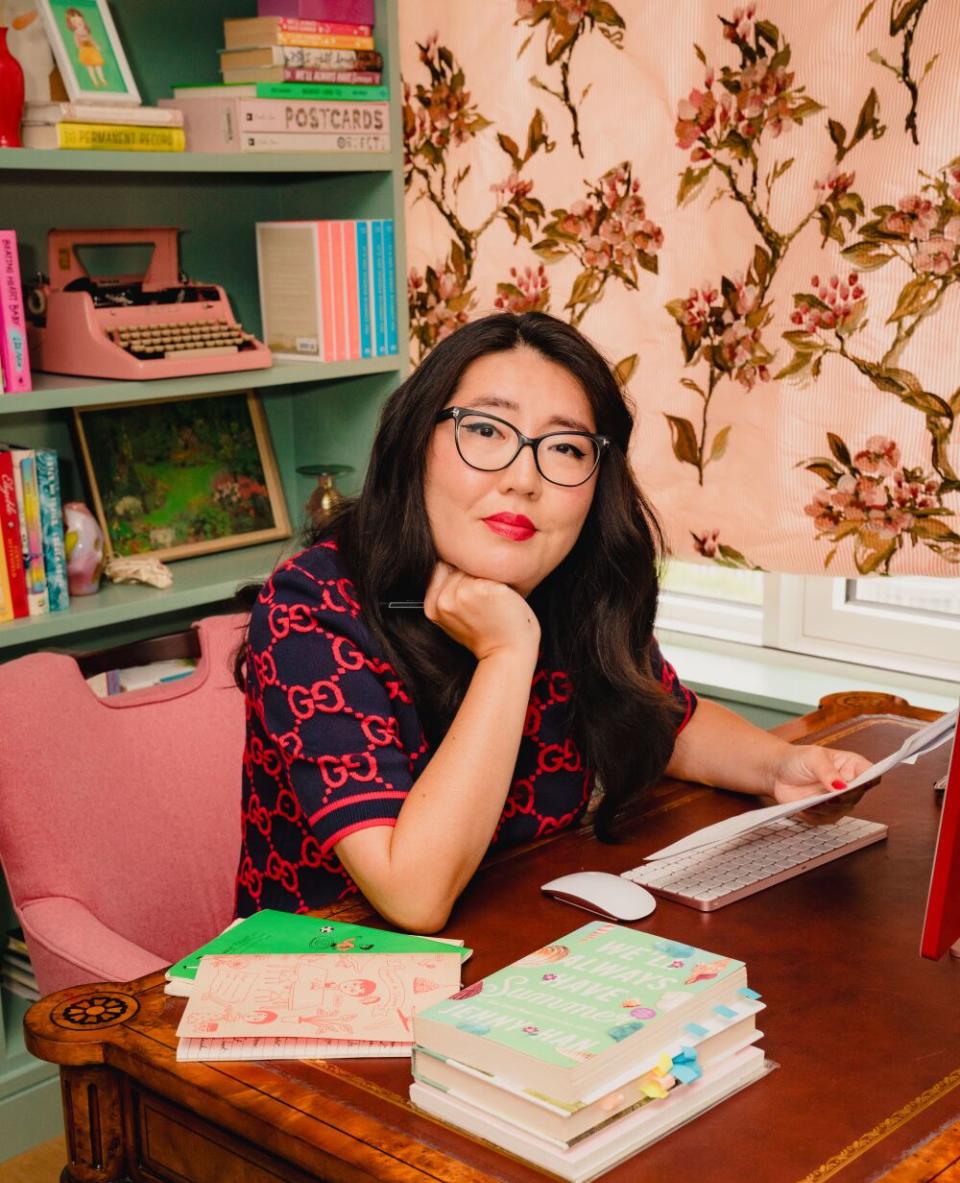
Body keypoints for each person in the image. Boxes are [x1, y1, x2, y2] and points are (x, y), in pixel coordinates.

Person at [235, 312, 871, 931]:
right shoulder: (311, 609)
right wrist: (508, 654)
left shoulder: (567, 583)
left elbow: (661, 719)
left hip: (517, 941)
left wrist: (777, 767)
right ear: (414, 443)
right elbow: (413, 895)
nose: (522, 479)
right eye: (485, 431)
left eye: (564, 448)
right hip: (324, 989)